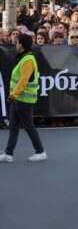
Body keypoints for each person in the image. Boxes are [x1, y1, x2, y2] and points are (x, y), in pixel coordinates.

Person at [0, 34, 47, 163]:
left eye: (17, 42)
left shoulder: (28, 60)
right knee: (13, 126)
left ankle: (40, 151)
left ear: (21, 44)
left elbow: (23, 80)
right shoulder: (25, 58)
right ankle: (8, 153)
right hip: (19, 99)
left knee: (28, 126)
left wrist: (13, 95)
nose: (15, 44)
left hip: (24, 99)